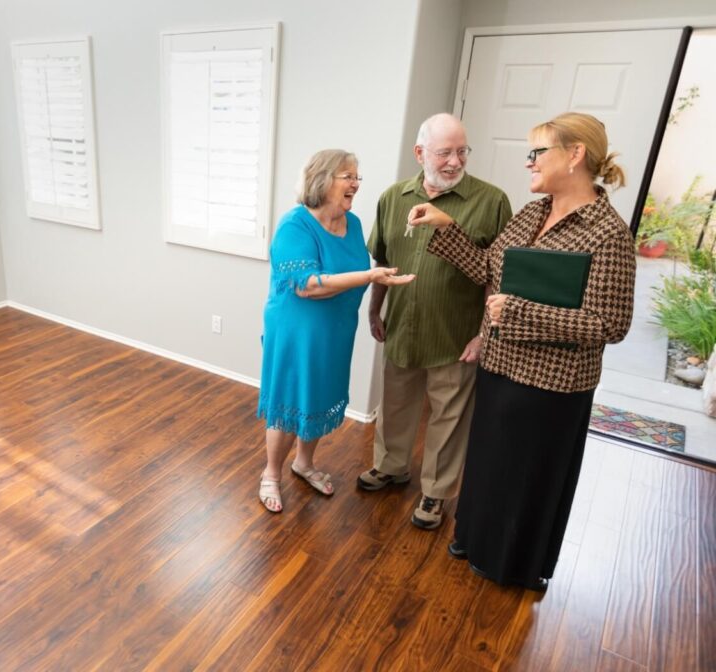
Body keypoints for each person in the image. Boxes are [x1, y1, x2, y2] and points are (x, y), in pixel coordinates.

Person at [408, 112, 636, 591]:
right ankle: (473, 540)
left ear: (574, 156)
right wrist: (446, 227)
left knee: (526, 480)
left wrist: (521, 313)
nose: (528, 162)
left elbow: (610, 324)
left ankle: (510, 563)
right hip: (500, 369)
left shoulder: (607, 233)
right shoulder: (531, 213)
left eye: (538, 153)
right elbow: (488, 271)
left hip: (552, 387)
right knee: (488, 465)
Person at [356, 113, 512, 531]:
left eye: (462, 151)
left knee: (449, 415)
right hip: (403, 326)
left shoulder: (492, 201)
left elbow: (498, 276)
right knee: (395, 403)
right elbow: (382, 261)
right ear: (420, 153)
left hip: (455, 333)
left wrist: (483, 334)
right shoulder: (393, 197)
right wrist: (374, 309)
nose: (455, 162)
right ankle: (391, 467)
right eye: (445, 153)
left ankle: (436, 492)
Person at [258, 149, 414, 513]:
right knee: (292, 399)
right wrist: (371, 276)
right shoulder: (294, 225)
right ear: (322, 179)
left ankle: (304, 463)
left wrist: (372, 286)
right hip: (297, 332)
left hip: (337, 330)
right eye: (348, 176)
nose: (356, 183)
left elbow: (352, 270)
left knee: (318, 395)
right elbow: (307, 285)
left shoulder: (354, 223)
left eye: (357, 176)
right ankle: (271, 474)